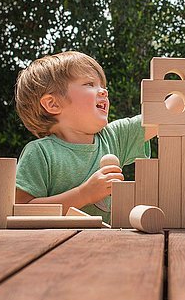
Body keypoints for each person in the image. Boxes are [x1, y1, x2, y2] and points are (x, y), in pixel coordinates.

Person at [14, 51, 164, 222]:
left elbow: (168, 111)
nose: (104, 91)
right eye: (89, 84)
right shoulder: (40, 152)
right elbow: (21, 210)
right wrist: (83, 194)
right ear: (53, 104)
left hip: (110, 245)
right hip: (58, 247)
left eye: (103, 86)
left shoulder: (113, 137)